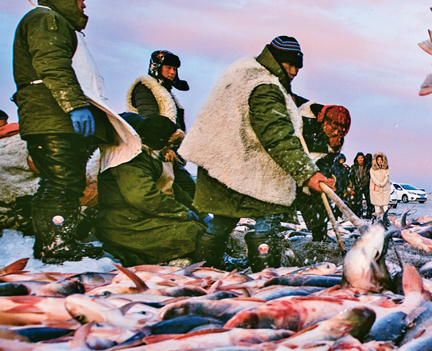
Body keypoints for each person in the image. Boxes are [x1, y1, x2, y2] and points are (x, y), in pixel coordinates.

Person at [179, 36, 334, 271]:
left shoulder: (245, 72)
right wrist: (308, 174)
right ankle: (265, 273)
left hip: (223, 164)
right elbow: (277, 136)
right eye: (290, 65)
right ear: (277, 60)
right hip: (242, 167)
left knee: (223, 217)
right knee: (269, 215)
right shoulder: (264, 87)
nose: (294, 71)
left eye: (297, 67)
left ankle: (204, 266)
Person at [12, 0, 107, 263]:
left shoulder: (53, 22)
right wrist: (74, 104)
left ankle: (54, 242)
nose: (83, 5)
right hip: (52, 117)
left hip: (51, 116)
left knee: (60, 181)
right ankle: (56, 247)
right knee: (62, 182)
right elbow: (52, 64)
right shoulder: (46, 20)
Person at [95, 115, 204, 266]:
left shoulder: (151, 157)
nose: (170, 150)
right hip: (123, 223)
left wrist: (198, 212)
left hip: (139, 216)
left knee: (199, 230)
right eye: (168, 145)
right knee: (193, 234)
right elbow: (143, 196)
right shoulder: (130, 160)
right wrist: (183, 212)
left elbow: (175, 190)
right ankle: (153, 258)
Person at [126, 50, 195, 198]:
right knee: (183, 188)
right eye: (168, 67)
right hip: (154, 150)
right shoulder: (144, 88)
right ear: (157, 66)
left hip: (168, 151)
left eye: (175, 69)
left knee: (183, 189)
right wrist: (164, 148)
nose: (172, 72)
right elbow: (149, 120)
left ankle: (195, 218)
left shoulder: (166, 92)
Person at [294, 100, 351, 241]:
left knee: (319, 209)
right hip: (289, 165)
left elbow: (326, 163)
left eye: (340, 132)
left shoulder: (336, 141)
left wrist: (323, 178)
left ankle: (319, 239)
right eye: (334, 128)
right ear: (323, 120)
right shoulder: (302, 113)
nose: (336, 133)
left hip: (312, 176)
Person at [369, 152, 391, 217]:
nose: (379, 161)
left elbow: (387, 177)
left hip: (385, 188)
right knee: (377, 205)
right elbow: (373, 178)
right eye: (378, 160)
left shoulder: (386, 168)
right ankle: (377, 218)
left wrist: (383, 183)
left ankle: (385, 218)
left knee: (385, 205)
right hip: (376, 189)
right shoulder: (372, 169)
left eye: (381, 160)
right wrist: (378, 183)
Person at [350, 152, 370, 218]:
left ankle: (369, 216)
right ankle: (358, 216)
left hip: (366, 186)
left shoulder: (368, 166)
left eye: (362, 158)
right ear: (356, 159)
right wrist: (352, 188)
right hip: (357, 186)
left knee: (369, 202)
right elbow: (351, 178)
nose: (360, 159)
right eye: (359, 158)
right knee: (357, 203)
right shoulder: (353, 167)